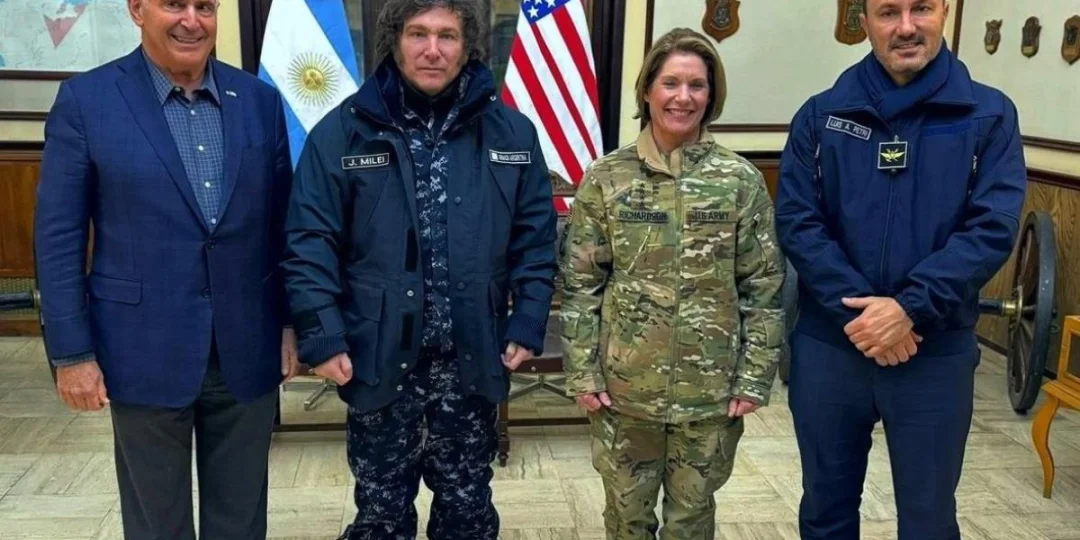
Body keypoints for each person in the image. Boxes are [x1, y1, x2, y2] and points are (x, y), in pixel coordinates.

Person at [280, 0, 558, 538]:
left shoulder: (512, 134)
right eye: (418, 34)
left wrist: (527, 320)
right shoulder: (342, 133)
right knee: (381, 517)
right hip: (378, 359)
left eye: (447, 36)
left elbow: (536, 240)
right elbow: (309, 243)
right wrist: (323, 335)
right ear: (395, 41)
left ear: (467, 46)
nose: (433, 50)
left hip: (472, 360)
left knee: (467, 514)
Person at [33, 0, 297, 538]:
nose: (192, 20)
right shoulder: (87, 101)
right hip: (140, 349)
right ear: (137, 9)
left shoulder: (260, 101)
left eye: (205, 6)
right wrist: (72, 353)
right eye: (174, 3)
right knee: (157, 524)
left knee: (242, 521)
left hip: (246, 348)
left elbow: (283, 226)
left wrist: (292, 323)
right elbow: (58, 238)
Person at [775, 0, 1026, 538]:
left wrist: (909, 308)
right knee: (824, 511)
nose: (906, 27)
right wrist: (864, 317)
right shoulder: (820, 115)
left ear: (945, 13)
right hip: (832, 347)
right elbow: (797, 221)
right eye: (888, 12)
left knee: (929, 520)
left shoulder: (989, 116)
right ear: (863, 21)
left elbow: (992, 228)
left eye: (921, 8)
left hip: (933, 351)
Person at [560, 27, 785, 540]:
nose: (683, 97)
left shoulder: (739, 180)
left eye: (697, 85)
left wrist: (753, 378)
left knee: (691, 520)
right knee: (627, 520)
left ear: (712, 95)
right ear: (647, 90)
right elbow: (580, 284)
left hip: (709, 392)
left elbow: (764, 286)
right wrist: (583, 373)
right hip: (624, 391)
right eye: (670, 83)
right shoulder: (607, 177)